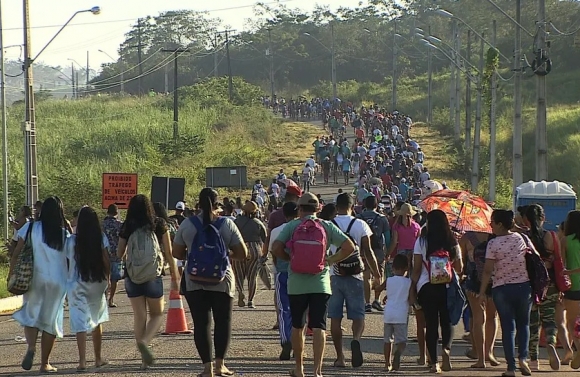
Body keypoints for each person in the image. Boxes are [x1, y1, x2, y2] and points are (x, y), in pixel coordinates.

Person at [271, 192, 356, 377]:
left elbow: (275, 248)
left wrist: (290, 258)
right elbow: (350, 246)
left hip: (297, 284)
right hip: (321, 283)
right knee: (319, 326)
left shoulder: (293, 226)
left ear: (299, 209)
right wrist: (329, 260)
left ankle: (299, 368)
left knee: (297, 326)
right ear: (318, 208)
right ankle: (317, 371)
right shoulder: (325, 226)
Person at [173, 188, 248, 377]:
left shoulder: (188, 225)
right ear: (217, 204)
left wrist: (194, 254)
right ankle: (220, 365)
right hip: (222, 280)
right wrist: (225, 255)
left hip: (194, 280)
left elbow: (176, 253)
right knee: (223, 322)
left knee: (201, 324)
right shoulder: (227, 224)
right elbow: (243, 253)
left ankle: (207, 368)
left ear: (198, 203)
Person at [117, 194, 179, 369]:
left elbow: (119, 253)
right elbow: (169, 252)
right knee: (157, 314)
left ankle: (143, 359)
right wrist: (175, 276)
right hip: (153, 275)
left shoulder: (127, 226)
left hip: (132, 275)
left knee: (139, 315)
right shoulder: (159, 224)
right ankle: (144, 342)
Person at [9, 196, 69, 373]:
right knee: (51, 323)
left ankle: (31, 348)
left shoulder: (31, 227)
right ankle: (45, 363)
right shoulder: (64, 233)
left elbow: (17, 252)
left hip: (34, 279)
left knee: (31, 316)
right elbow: (70, 259)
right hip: (58, 282)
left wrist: (11, 272)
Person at [328, 193, 381, 369]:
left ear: (337, 206)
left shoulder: (329, 225)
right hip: (356, 276)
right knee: (358, 315)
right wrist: (376, 272)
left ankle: (340, 357)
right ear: (353, 206)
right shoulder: (360, 224)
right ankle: (356, 339)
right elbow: (368, 251)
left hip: (334, 275)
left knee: (335, 318)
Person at [479, 209, 532, 377]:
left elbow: (487, 271)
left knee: (508, 328)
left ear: (500, 224)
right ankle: (523, 358)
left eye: (492, 222)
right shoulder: (521, 238)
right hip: (523, 287)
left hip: (501, 288)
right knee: (524, 324)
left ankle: (511, 368)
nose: (490, 226)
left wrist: (481, 292)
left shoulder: (493, 244)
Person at [410, 209, 463, 374]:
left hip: (426, 286)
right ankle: (446, 349)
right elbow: (460, 268)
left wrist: (412, 289)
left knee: (431, 324)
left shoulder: (422, 241)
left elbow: (417, 268)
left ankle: (434, 363)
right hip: (447, 286)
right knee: (447, 322)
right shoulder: (452, 240)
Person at [523, 204, 570, 370]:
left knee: (532, 323)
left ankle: (534, 361)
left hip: (529, 285)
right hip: (549, 284)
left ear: (525, 219)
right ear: (543, 218)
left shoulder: (523, 237)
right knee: (550, 320)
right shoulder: (551, 236)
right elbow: (559, 262)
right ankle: (550, 342)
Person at [66, 206, 110, 371]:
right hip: (97, 282)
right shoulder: (100, 238)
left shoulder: (71, 241)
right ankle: (98, 358)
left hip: (76, 283)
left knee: (80, 322)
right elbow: (106, 260)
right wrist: (108, 278)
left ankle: (82, 361)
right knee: (96, 319)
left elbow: (66, 263)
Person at [459, 231, 499, 368]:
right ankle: (490, 353)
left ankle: (480, 358)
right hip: (494, 280)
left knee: (477, 318)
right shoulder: (495, 237)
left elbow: (461, 263)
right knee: (492, 318)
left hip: (474, 282)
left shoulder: (466, 238)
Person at [269, 202, 299, 360]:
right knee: (300, 310)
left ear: (284, 214)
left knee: (283, 309)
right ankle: (298, 345)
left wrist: (279, 265)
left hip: (282, 272)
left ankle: (286, 340)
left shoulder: (276, 231)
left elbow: (273, 253)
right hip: (301, 274)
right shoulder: (302, 228)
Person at [358, 195, 390, 312]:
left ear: (365, 205)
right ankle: (376, 299)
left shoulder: (359, 217)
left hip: (363, 249)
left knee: (366, 275)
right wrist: (388, 251)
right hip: (378, 250)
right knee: (379, 273)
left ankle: (367, 302)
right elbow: (387, 237)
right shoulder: (382, 218)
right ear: (377, 205)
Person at [233, 201, 267, 308]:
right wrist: (265, 255)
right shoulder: (258, 223)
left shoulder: (236, 222)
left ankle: (240, 292)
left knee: (238, 274)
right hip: (254, 249)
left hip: (239, 248)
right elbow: (265, 239)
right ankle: (251, 300)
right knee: (253, 277)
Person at [383, 254, 411, 372]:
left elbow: (379, 288)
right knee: (402, 341)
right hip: (401, 315)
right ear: (406, 269)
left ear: (392, 268)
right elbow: (411, 298)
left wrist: (386, 296)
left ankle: (387, 363)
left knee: (387, 340)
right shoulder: (409, 282)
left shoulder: (389, 280)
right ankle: (398, 352)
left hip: (388, 314)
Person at [562, 211, 580, 369]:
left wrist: (568, 272)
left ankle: (578, 350)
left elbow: (560, 264)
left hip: (573, 286)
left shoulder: (566, 240)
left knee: (572, 323)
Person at [103, 204, 123, 308]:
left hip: (103, 253)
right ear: (116, 212)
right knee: (114, 279)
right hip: (116, 254)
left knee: (105, 276)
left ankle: (104, 297)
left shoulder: (102, 224)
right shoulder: (120, 225)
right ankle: (111, 299)